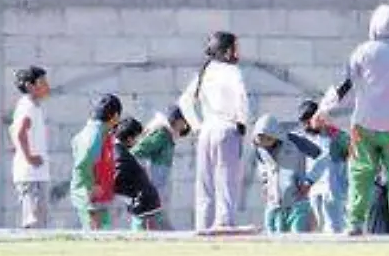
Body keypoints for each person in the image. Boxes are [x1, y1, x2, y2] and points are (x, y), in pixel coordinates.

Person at [323, 5, 389, 238]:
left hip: (364, 125)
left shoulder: (361, 51)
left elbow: (344, 85)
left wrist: (324, 109)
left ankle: (354, 223)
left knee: (360, 173)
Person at [180, 31, 252, 232]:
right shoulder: (233, 71)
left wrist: (196, 126)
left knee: (205, 185)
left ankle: (202, 226)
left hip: (206, 130)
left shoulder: (205, 72)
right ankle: (224, 225)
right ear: (227, 51)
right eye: (236, 48)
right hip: (227, 129)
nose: (238, 52)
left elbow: (184, 101)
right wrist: (243, 122)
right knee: (227, 182)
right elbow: (242, 99)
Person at [252, 114, 317, 234]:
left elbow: (322, 157)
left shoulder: (295, 141)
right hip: (274, 206)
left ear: (274, 135)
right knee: (274, 246)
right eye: (258, 140)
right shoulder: (259, 147)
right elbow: (261, 165)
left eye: (265, 139)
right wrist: (265, 182)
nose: (262, 144)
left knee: (299, 243)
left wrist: (310, 180)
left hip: (297, 204)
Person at [69, 94, 123, 231]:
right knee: (94, 235)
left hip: (99, 195)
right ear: (115, 116)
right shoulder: (95, 133)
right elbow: (83, 161)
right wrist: (91, 185)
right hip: (90, 196)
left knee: (103, 233)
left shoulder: (98, 130)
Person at [297, 99, 350, 235]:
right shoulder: (304, 138)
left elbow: (352, 153)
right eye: (304, 122)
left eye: (309, 121)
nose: (306, 125)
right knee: (315, 230)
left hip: (333, 191)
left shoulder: (336, 136)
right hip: (312, 190)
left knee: (334, 229)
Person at [9, 66, 52, 229]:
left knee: (39, 219)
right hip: (30, 175)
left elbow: (12, 130)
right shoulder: (27, 106)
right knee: (33, 221)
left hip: (36, 174)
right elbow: (19, 133)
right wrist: (28, 157)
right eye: (43, 82)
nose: (47, 86)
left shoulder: (33, 106)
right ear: (29, 86)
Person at [112, 118, 170, 231]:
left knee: (141, 238)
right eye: (137, 138)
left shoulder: (118, 151)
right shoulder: (120, 154)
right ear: (129, 139)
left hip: (144, 206)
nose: (138, 141)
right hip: (145, 203)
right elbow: (117, 180)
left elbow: (116, 182)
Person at [130, 107, 191, 204]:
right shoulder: (162, 134)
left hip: (159, 186)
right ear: (178, 121)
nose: (184, 127)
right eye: (184, 123)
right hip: (154, 188)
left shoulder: (168, 135)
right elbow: (137, 151)